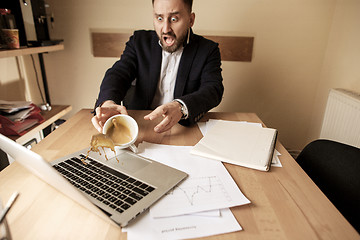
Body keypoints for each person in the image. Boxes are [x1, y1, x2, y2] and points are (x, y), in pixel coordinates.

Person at [92, 0, 223, 133]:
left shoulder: (208, 50)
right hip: (139, 127)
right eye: (159, 18)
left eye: (174, 19)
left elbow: (213, 89)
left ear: (190, 20)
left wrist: (180, 107)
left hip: (183, 129)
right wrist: (108, 102)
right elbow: (118, 73)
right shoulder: (138, 42)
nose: (166, 29)